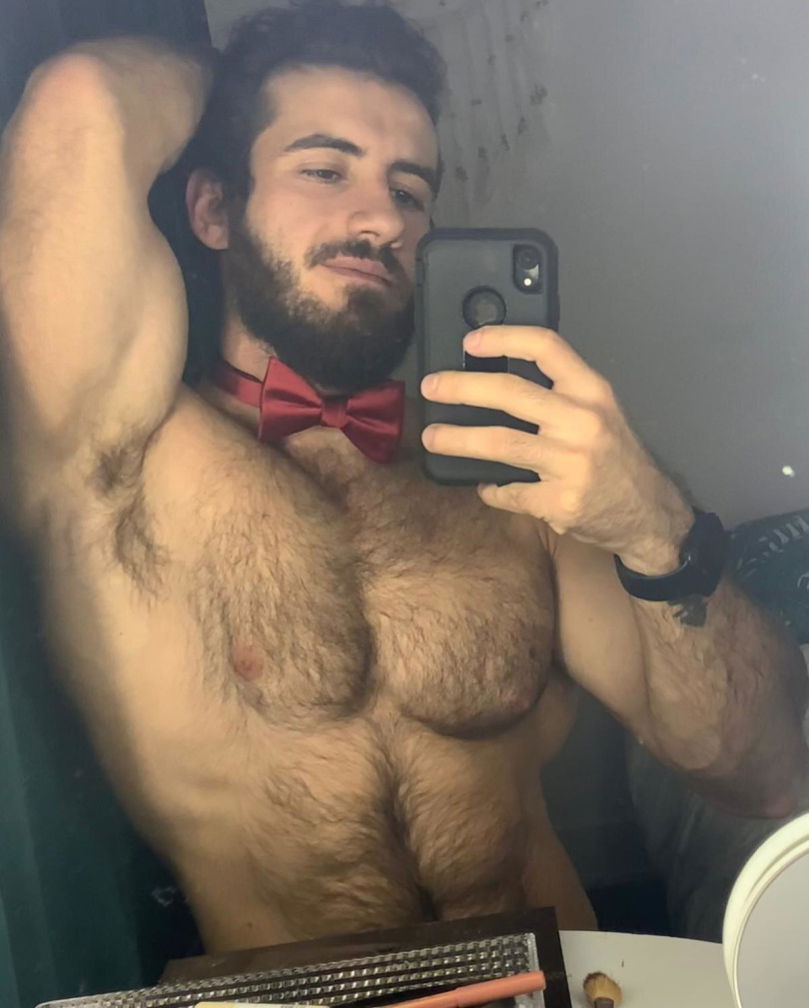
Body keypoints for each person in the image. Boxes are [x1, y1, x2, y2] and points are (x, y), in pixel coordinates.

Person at [0, 0, 806, 955]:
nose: (381, 217)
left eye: (409, 189)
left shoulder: (509, 470)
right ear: (214, 208)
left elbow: (763, 776)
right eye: (323, 168)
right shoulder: (114, 454)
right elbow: (82, 103)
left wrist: (655, 529)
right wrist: (244, 82)